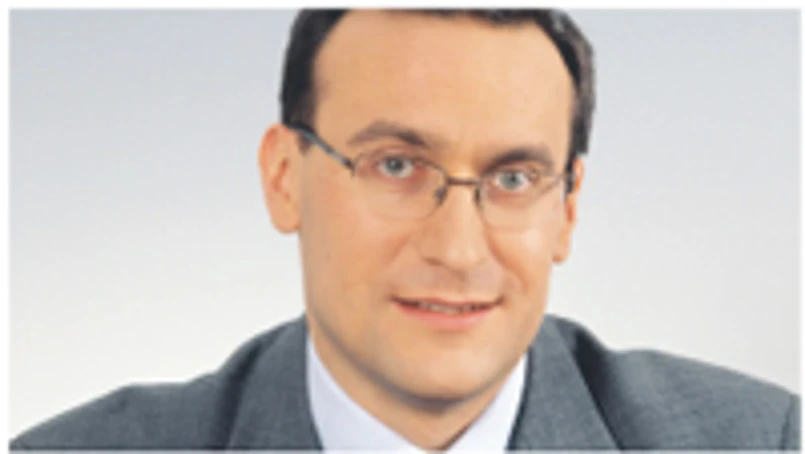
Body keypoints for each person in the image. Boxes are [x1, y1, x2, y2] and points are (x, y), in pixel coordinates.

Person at [10, 8, 800, 451]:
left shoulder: (759, 442)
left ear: (566, 207)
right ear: (284, 178)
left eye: (512, 179)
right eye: (395, 166)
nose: (456, 250)